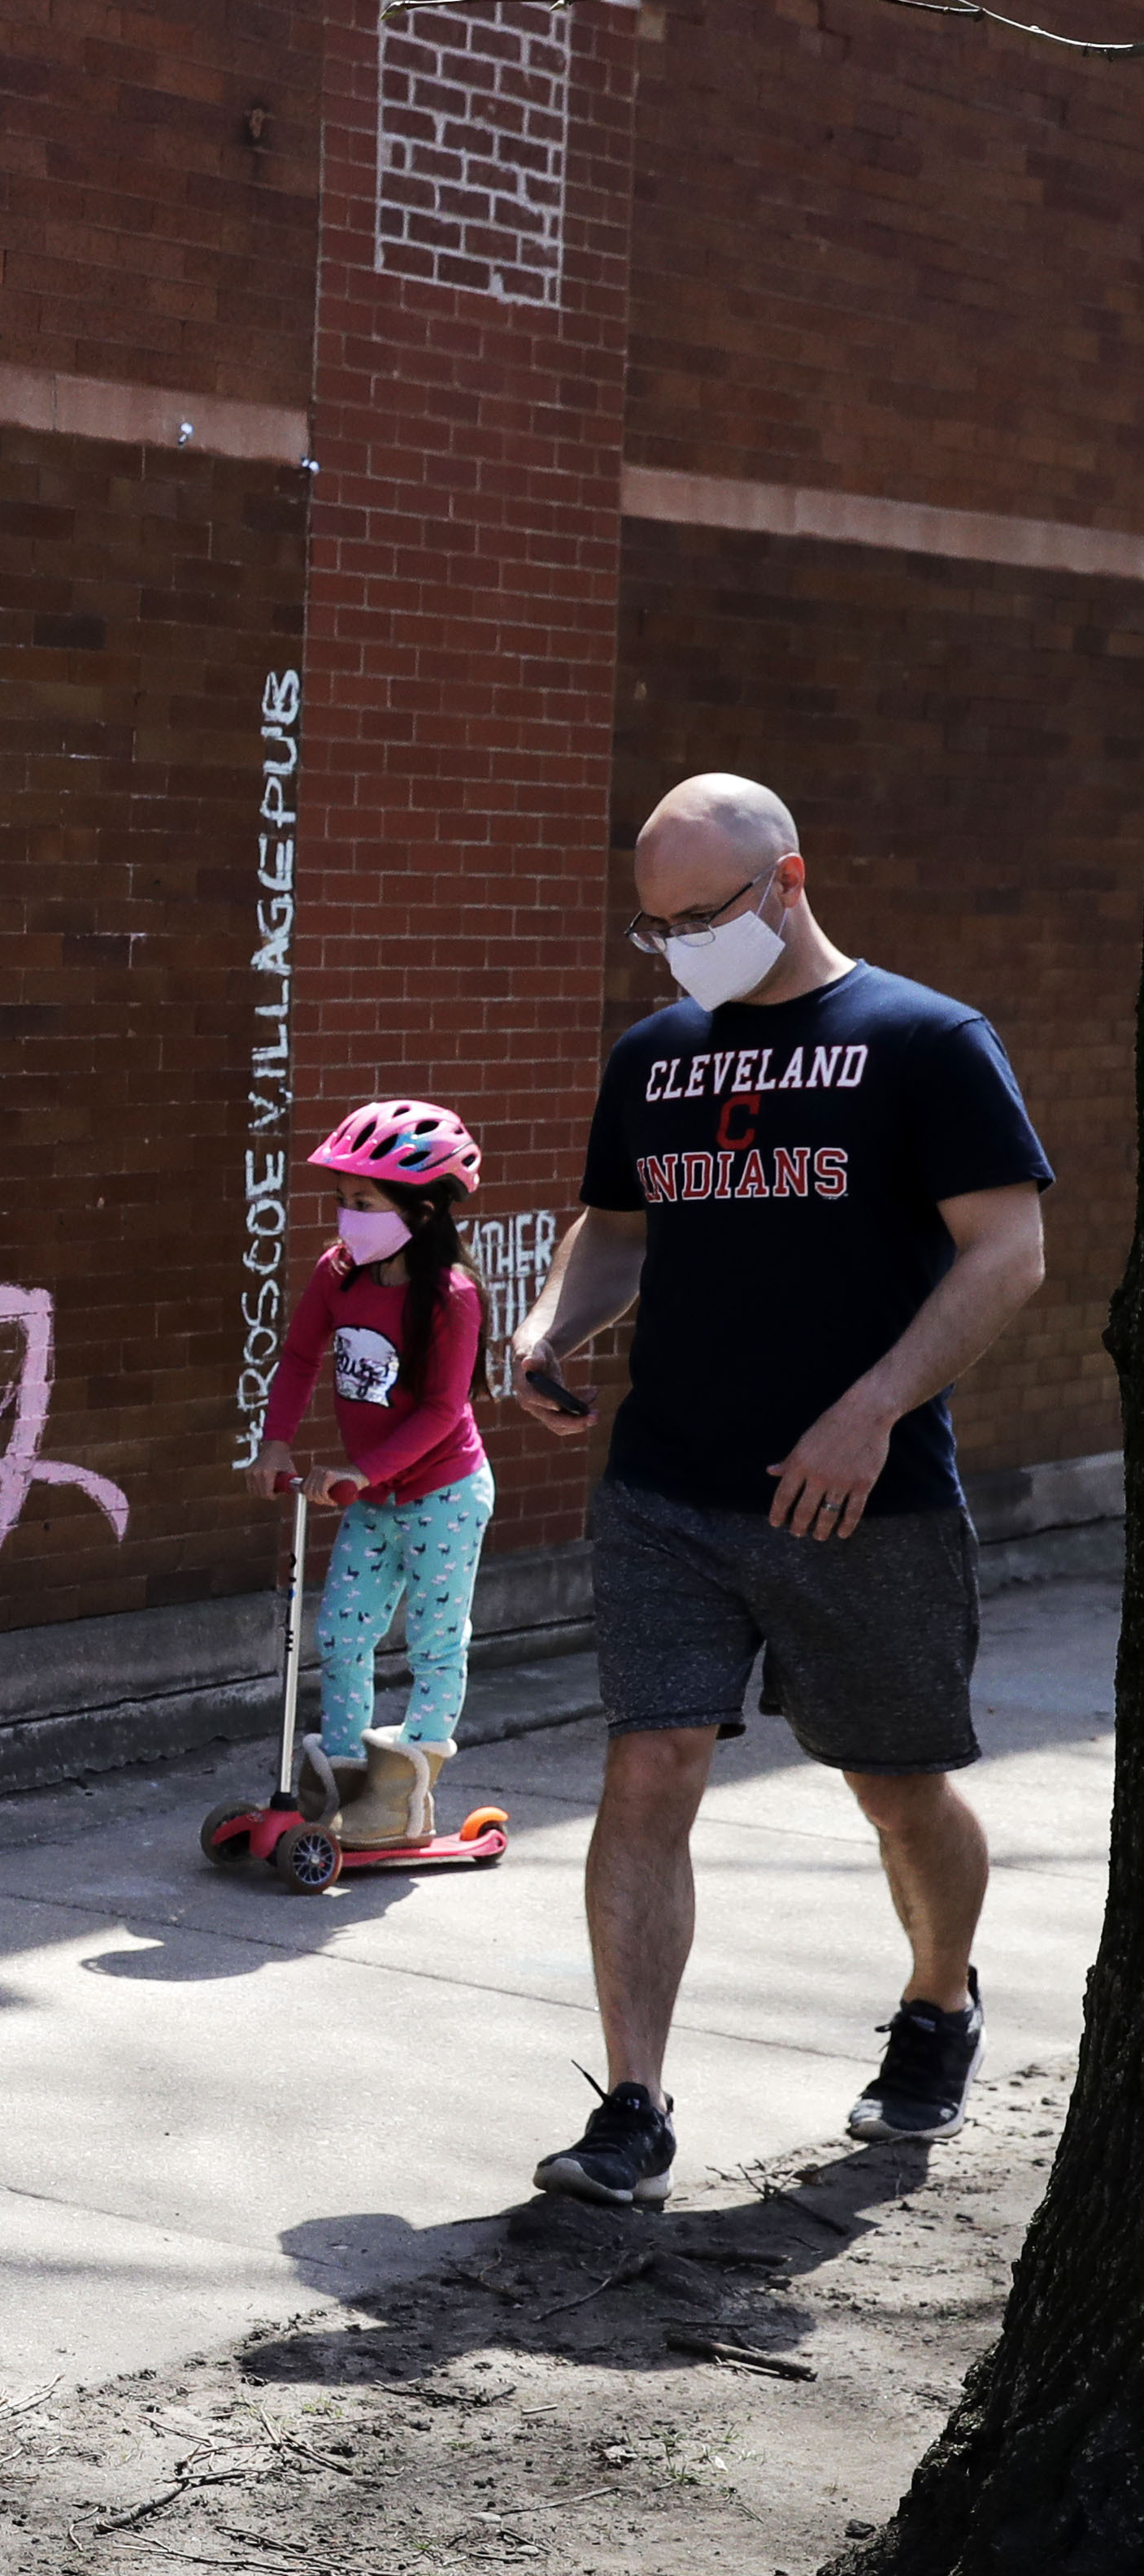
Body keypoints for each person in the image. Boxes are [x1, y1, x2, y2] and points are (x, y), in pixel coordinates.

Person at [504, 775, 1050, 2209]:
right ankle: (634, 2105)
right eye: (658, 924)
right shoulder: (657, 1053)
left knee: (896, 1783)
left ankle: (939, 2001)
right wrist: (551, 1321)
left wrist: (872, 1411)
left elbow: (1009, 1253)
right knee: (652, 1763)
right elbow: (617, 1228)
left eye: (705, 913)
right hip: (668, 1485)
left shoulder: (926, 1041)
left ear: (789, 879)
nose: (681, 943)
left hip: (864, 1497)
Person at [249, 1100, 494, 1845]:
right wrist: (276, 1443)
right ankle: (347, 1776)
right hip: (374, 1496)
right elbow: (298, 1358)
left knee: (434, 1642)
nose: (348, 1217)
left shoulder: (451, 1295)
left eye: (364, 1203)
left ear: (420, 1212)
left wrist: (360, 1469)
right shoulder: (339, 1272)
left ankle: (403, 1800)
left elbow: (443, 1413)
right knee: (342, 1635)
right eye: (343, 1201)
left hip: (443, 1494)